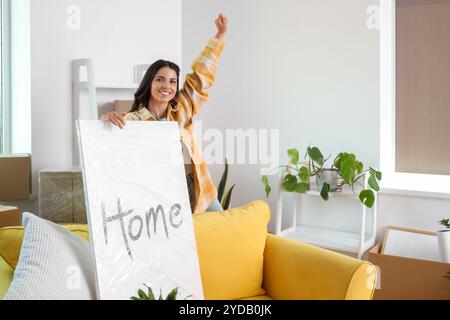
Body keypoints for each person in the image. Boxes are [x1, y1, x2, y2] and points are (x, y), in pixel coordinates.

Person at [101, 14, 228, 213]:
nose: (166, 86)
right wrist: (103, 120)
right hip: (163, 193)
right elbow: (106, 147)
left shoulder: (183, 107)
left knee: (223, 229)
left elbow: (201, 76)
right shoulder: (133, 120)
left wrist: (219, 36)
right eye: (160, 79)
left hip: (198, 186)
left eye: (172, 81)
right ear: (149, 83)